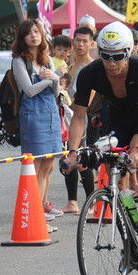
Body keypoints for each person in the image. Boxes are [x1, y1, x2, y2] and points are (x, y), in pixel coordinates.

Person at [64, 21, 138, 229]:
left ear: (128, 52)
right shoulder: (89, 72)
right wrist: (72, 152)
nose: (110, 62)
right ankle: (132, 224)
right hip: (117, 115)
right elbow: (78, 116)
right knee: (114, 169)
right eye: (105, 55)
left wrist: (137, 149)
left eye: (117, 56)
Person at [11, 19, 62, 228]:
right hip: (32, 115)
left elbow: (56, 93)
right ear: (22, 37)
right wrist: (52, 79)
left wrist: (55, 80)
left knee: (48, 166)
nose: (34, 35)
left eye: (36, 31)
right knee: (36, 168)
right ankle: (35, 215)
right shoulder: (19, 60)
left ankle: (40, 208)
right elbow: (29, 90)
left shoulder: (47, 58)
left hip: (51, 114)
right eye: (29, 32)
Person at [61, 26, 96, 214]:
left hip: (82, 119)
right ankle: (72, 202)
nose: (80, 44)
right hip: (66, 118)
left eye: (84, 41)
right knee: (68, 159)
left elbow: (88, 102)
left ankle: (92, 202)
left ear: (91, 44)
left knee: (82, 161)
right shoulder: (70, 66)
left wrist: (69, 102)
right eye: (78, 40)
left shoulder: (92, 67)